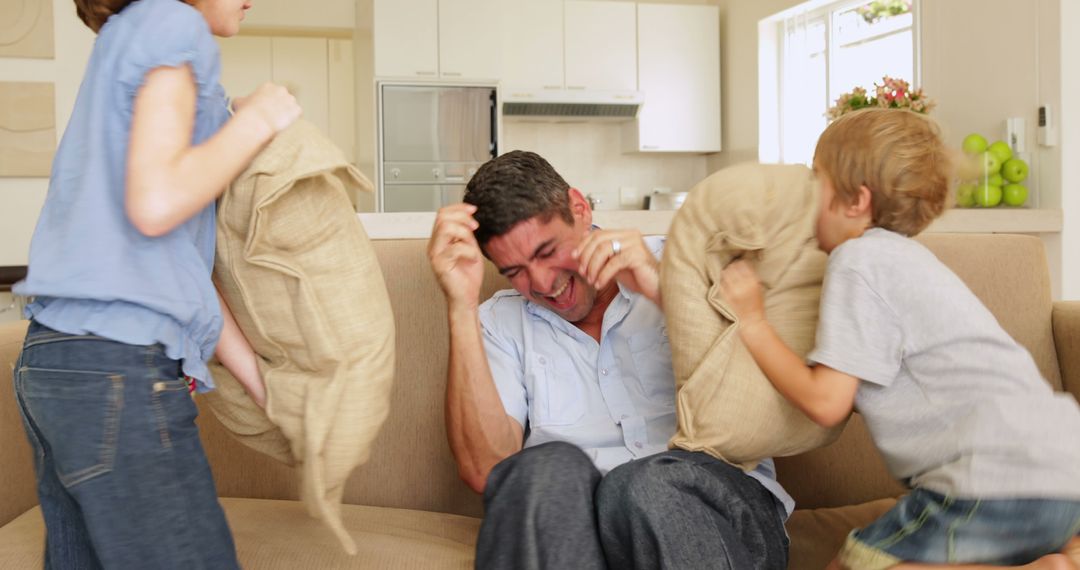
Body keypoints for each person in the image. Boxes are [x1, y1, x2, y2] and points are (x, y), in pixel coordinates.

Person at [719, 108, 1080, 570]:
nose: (806, 197)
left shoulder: (857, 262)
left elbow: (827, 401)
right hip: (1061, 473)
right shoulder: (910, 261)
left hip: (990, 480)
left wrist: (753, 322)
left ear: (856, 201)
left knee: (855, 564)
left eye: (816, 181)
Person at [12, 0, 301, 567]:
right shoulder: (172, 23)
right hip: (115, 369)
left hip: (53, 364)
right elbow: (156, 205)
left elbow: (178, 265)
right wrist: (259, 118)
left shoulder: (126, 41)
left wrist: (265, 388)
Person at [426, 150, 792, 569]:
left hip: (714, 517)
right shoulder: (498, 321)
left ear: (579, 210)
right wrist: (459, 304)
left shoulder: (686, 259)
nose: (543, 283)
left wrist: (661, 290)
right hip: (577, 541)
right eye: (516, 272)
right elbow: (485, 470)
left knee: (644, 485)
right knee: (543, 470)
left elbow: (775, 394)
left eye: (547, 251)